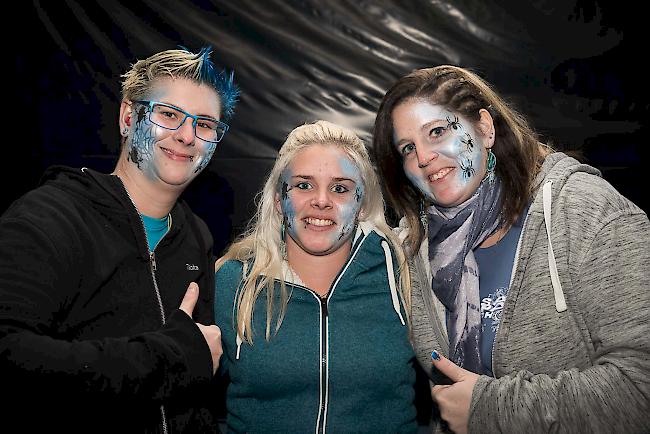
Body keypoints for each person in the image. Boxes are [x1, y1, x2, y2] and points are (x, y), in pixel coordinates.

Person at [372, 65, 649, 433]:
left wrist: (491, 408)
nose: (423, 158)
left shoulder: (587, 213)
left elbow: (641, 386)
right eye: (408, 148)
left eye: (437, 132)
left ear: (485, 129)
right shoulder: (416, 247)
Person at [0, 46, 239, 432]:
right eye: (168, 114)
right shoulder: (50, 216)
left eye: (205, 124)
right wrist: (171, 358)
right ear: (129, 116)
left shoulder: (196, 237)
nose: (186, 136)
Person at [214, 120, 418, 433]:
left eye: (340, 189)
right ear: (280, 201)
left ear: (362, 205)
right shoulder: (232, 282)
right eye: (303, 185)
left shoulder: (404, 276)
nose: (321, 201)